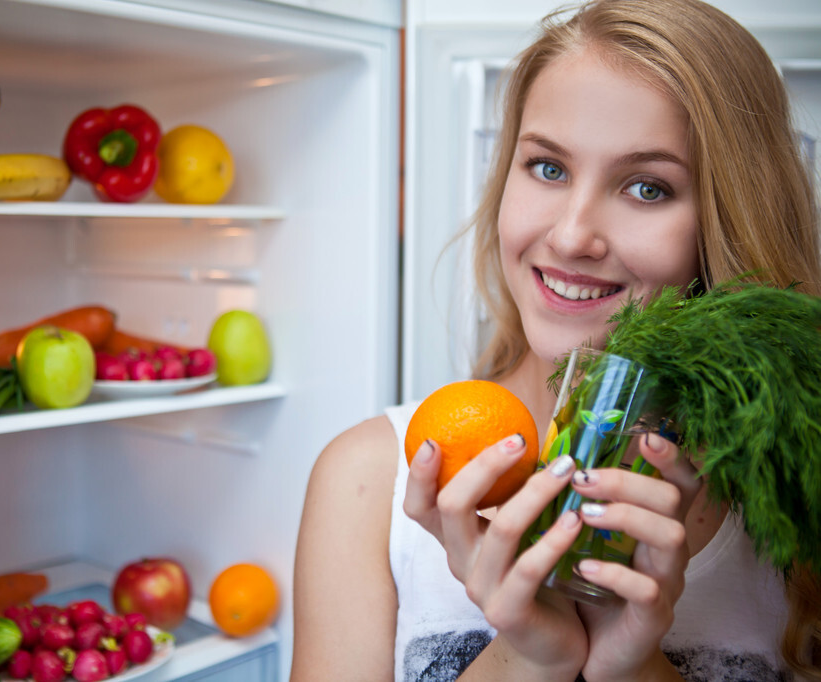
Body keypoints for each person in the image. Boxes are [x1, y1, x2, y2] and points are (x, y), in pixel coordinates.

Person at [291, 0, 821, 680]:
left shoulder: (794, 499)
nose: (571, 236)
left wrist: (632, 667)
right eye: (547, 168)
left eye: (646, 188)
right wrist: (527, 652)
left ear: (729, 223)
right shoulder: (367, 483)